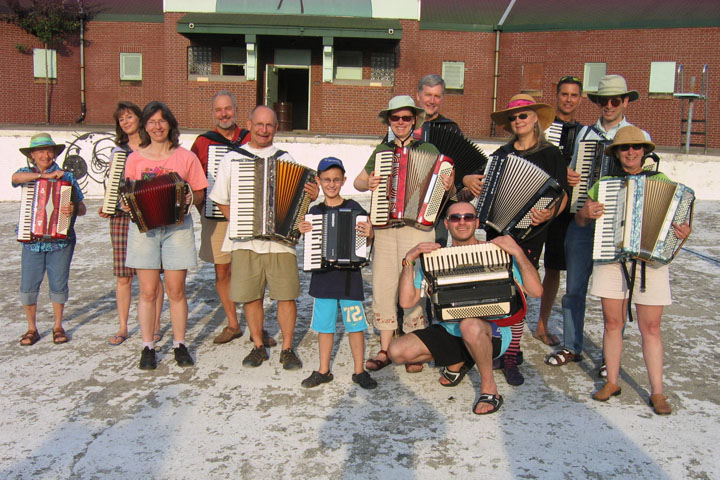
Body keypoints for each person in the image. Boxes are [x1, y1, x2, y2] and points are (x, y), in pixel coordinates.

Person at [387, 202, 543, 414]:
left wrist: (518, 253)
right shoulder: (435, 258)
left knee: (470, 324)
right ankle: (462, 358)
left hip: (492, 332)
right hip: (450, 329)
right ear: (447, 223)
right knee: (396, 352)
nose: (462, 222)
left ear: (476, 222)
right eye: (455, 218)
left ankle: (489, 388)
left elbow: (536, 291)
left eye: (468, 217)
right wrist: (409, 259)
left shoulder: (498, 252)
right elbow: (406, 301)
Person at [580, 126, 690, 415]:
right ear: (616, 153)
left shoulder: (661, 180)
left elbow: (676, 221)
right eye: (625, 148)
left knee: (651, 328)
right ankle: (612, 381)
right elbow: (582, 219)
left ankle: (657, 391)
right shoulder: (604, 184)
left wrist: (682, 233)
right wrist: (585, 213)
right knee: (612, 323)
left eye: (636, 147)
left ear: (645, 152)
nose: (631, 152)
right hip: (612, 258)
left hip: (649, 264)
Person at [463, 94, 568, 386]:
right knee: (498, 288)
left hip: (531, 233)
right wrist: (467, 181)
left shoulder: (551, 155)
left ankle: (512, 352)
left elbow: (563, 197)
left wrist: (548, 215)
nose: (518, 120)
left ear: (536, 118)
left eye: (524, 115)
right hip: (498, 230)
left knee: (518, 293)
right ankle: (496, 343)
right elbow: (480, 190)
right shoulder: (500, 155)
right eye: (513, 117)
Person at [548, 75, 650, 378]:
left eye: (615, 100)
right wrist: (571, 177)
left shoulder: (636, 135)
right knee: (574, 288)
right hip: (583, 219)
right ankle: (572, 344)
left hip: (617, 226)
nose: (608, 106)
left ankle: (610, 355)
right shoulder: (584, 134)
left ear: (625, 102)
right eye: (603, 100)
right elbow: (575, 170)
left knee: (615, 294)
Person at [209, 105, 319, 370]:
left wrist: (312, 196)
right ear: (249, 124)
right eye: (259, 124)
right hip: (244, 242)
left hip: (280, 242)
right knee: (251, 296)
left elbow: (299, 199)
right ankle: (258, 345)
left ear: (275, 127)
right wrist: (241, 222)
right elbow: (222, 199)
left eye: (269, 125)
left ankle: (288, 348)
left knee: (287, 296)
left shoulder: (287, 158)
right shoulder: (232, 158)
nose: (263, 130)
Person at [353, 95, 453, 374]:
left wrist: (449, 184)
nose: (400, 123)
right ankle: (385, 347)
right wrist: (369, 182)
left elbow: (445, 193)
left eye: (406, 118)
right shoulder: (382, 151)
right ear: (389, 121)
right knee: (384, 285)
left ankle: (414, 348)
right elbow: (358, 182)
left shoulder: (430, 149)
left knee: (415, 287)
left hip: (418, 228)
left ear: (414, 121)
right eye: (395, 118)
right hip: (385, 228)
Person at [123, 101, 208, 370]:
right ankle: (148, 346)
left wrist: (189, 197)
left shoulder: (185, 157)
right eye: (151, 122)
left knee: (176, 290)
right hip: (144, 231)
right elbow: (128, 195)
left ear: (170, 123)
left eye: (162, 121)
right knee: (148, 291)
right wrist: (127, 205)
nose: (157, 127)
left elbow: (200, 193)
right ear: (144, 126)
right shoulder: (134, 158)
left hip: (177, 229)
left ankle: (179, 344)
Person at [190, 91, 274, 347]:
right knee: (223, 269)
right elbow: (194, 178)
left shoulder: (251, 136)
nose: (224, 114)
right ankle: (233, 323)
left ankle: (256, 328)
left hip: (252, 215)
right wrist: (201, 204)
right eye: (218, 110)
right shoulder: (203, 143)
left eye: (228, 109)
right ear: (213, 113)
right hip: (218, 217)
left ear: (237, 111)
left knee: (254, 272)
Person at [297, 157, 377, 390]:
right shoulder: (314, 211)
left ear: (343, 181)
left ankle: (359, 370)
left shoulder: (355, 209)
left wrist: (370, 234)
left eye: (335, 180)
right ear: (319, 181)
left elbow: (366, 240)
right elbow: (311, 243)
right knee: (324, 326)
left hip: (350, 279)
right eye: (326, 180)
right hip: (323, 278)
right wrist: (304, 231)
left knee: (355, 326)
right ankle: (323, 370)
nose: (331, 184)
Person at [13, 133, 87, 346]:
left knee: (59, 283)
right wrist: (42, 178)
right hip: (31, 240)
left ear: (54, 153)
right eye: (40, 151)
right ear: (32, 155)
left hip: (60, 241)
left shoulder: (67, 177)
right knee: (28, 284)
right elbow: (15, 179)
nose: (45, 155)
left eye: (49, 151)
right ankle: (31, 328)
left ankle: (57, 326)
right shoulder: (25, 173)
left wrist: (73, 208)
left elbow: (82, 207)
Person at [100, 102, 164, 346]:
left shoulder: (154, 148)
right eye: (121, 119)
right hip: (121, 217)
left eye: (129, 116)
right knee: (123, 275)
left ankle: (156, 324)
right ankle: (124, 326)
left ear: (140, 118)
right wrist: (108, 205)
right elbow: (113, 186)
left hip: (149, 217)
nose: (125, 122)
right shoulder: (118, 152)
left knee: (153, 274)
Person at [534, 76, 584, 346]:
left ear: (579, 99)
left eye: (574, 95)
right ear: (556, 96)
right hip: (536, 203)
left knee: (553, 267)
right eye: (564, 94)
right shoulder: (542, 128)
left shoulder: (585, 133)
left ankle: (541, 324)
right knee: (525, 262)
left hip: (564, 209)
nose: (568, 99)